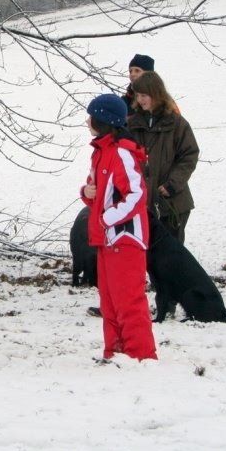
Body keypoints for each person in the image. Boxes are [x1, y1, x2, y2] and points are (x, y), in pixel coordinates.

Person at [80, 94, 157, 361]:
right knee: (110, 303)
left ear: (102, 120)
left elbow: (136, 194)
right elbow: (99, 193)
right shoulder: (100, 152)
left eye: (91, 115)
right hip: (106, 239)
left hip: (125, 238)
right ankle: (115, 352)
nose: (87, 120)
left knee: (129, 301)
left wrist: (106, 219)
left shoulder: (122, 152)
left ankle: (140, 355)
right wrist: (87, 192)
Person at [127, 71, 199, 244]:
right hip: (141, 203)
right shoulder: (131, 124)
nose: (140, 99)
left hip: (171, 204)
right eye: (138, 95)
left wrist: (172, 185)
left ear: (156, 94)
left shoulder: (177, 124)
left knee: (171, 259)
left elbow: (189, 155)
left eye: (144, 95)